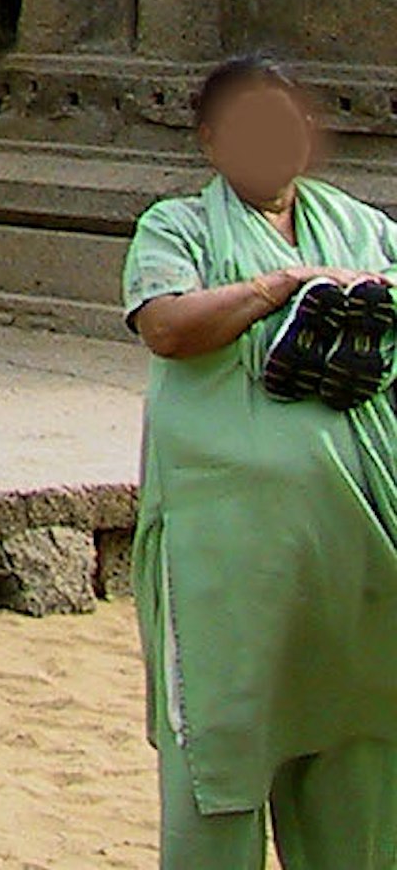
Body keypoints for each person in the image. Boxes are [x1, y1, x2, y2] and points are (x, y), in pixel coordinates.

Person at [123, 53, 397, 870]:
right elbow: (165, 326)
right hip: (227, 554)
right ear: (210, 141)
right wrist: (278, 289)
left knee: (361, 746)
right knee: (222, 742)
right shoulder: (179, 228)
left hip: (353, 542)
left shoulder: (362, 225)